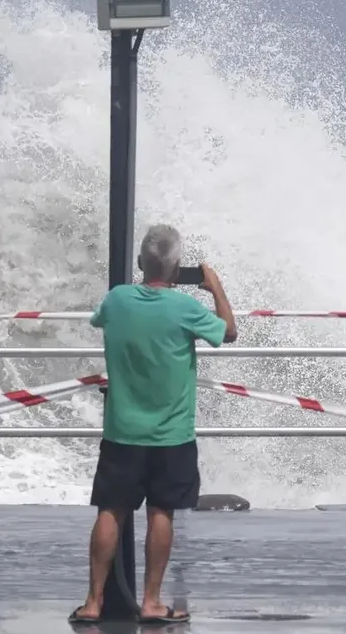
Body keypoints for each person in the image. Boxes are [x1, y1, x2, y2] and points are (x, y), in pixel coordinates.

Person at [68, 224, 237, 625]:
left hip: (121, 429)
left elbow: (99, 319)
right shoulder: (185, 308)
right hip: (171, 433)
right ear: (178, 270)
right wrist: (214, 287)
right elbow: (228, 331)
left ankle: (93, 602)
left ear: (142, 263)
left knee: (110, 511)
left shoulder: (117, 300)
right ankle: (152, 602)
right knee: (161, 513)